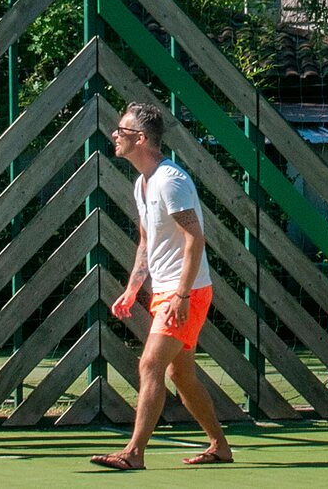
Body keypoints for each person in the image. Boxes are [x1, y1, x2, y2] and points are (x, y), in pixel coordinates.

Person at [90, 102, 233, 471]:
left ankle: (134, 453)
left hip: (185, 291)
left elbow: (194, 239)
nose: (114, 136)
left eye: (120, 131)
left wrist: (182, 296)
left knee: (151, 364)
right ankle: (220, 446)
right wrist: (133, 287)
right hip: (166, 290)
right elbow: (145, 240)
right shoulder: (142, 182)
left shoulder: (171, 180)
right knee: (180, 374)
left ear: (140, 138)